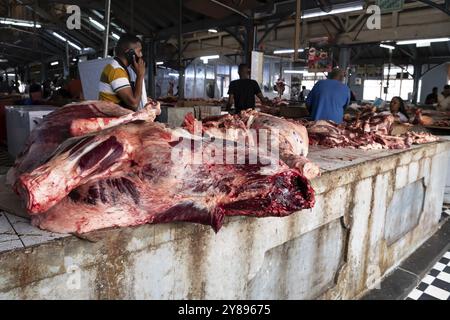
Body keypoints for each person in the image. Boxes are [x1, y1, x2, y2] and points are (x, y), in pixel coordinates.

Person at [99, 34, 146, 111]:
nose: (141, 55)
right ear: (130, 53)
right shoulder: (117, 70)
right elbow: (134, 104)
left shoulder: (117, 67)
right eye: (139, 51)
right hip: (111, 120)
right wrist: (140, 75)